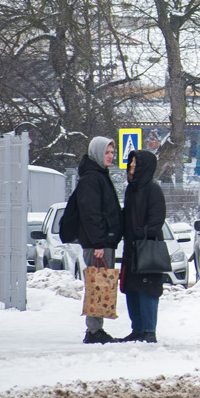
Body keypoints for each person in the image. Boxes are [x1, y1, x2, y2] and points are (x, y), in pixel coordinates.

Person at [72, 135, 124, 344]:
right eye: (107, 152)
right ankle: (93, 331)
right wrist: (98, 243)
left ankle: (96, 329)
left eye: (112, 152)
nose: (111, 156)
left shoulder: (98, 175)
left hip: (103, 242)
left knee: (102, 285)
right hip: (98, 245)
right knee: (98, 285)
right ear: (96, 153)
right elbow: (91, 214)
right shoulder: (92, 178)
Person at [120, 149, 167, 343]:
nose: (131, 166)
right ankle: (137, 328)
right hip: (132, 247)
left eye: (135, 163)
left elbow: (157, 219)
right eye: (130, 163)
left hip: (148, 247)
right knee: (132, 288)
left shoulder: (152, 189)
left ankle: (148, 330)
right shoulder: (132, 189)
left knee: (148, 289)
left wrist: (139, 232)